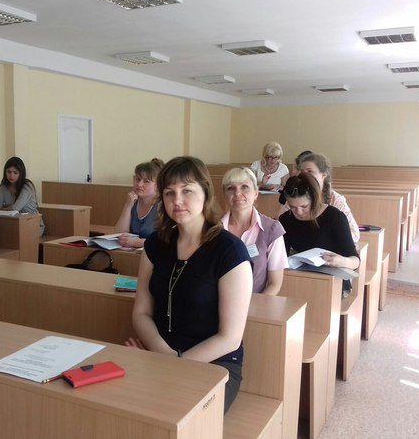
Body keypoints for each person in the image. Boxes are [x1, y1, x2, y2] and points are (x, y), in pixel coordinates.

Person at [126, 156, 253, 413]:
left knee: (172, 411)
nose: (177, 200)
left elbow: (229, 338)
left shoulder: (230, 251)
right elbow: (141, 312)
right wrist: (161, 353)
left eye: (187, 191)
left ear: (205, 194)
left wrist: (176, 363)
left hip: (214, 365)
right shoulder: (155, 244)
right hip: (160, 353)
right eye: (169, 193)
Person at [279, 173, 359, 296]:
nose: (299, 212)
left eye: (304, 206)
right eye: (292, 207)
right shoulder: (286, 219)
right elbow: (281, 256)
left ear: (314, 199)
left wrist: (341, 261)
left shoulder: (334, 217)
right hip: (300, 277)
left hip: (333, 279)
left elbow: (355, 261)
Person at [221, 167, 288, 294]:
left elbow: (274, 284)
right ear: (225, 195)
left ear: (256, 193)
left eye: (244, 187)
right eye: (230, 188)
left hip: (256, 302)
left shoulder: (272, 229)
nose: (237, 193)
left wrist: (254, 305)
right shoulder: (213, 229)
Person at [280, 153, 360, 243]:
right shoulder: (296, 196)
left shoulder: (335, 200)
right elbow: (281, 227)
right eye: (302, 172)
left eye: (309, 171)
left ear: (323, 175)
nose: (305, 175)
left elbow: (354, 234)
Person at [0, 156, 45, 236]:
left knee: (10, 235)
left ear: (21, 174)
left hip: (32, 223)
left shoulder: (27, 186)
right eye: (9, 172)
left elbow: (15, 208)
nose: (11, 175)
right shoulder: (4, 185)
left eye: (15, 173)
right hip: (13, 223)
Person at [114, 158, 164, 248]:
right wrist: (128, 206)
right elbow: (119, 234)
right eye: (137, 179)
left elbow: (163, 241)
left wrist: (135, 242)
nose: (139, 184)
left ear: (158, 185)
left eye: (146, 181)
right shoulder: (133, 200)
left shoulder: (162, 205)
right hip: (132, 251)